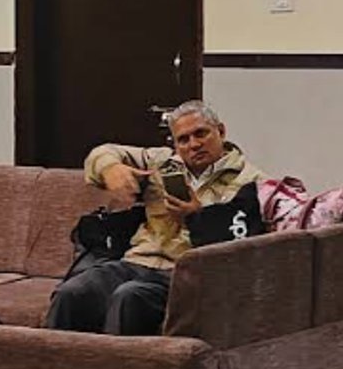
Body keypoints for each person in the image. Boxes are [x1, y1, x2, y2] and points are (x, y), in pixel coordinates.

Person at [45, 100, 263, 335]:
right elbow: (101, 152)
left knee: (128, 297)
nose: (194, 145)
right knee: (71, 293)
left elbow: (240, 250)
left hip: (184, 273)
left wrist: (197, 216)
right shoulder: (160, 162)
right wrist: (110, 168)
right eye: (184, 139)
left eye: (201, 134)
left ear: (220, 131)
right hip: (136, 261)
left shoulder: (251, 182)